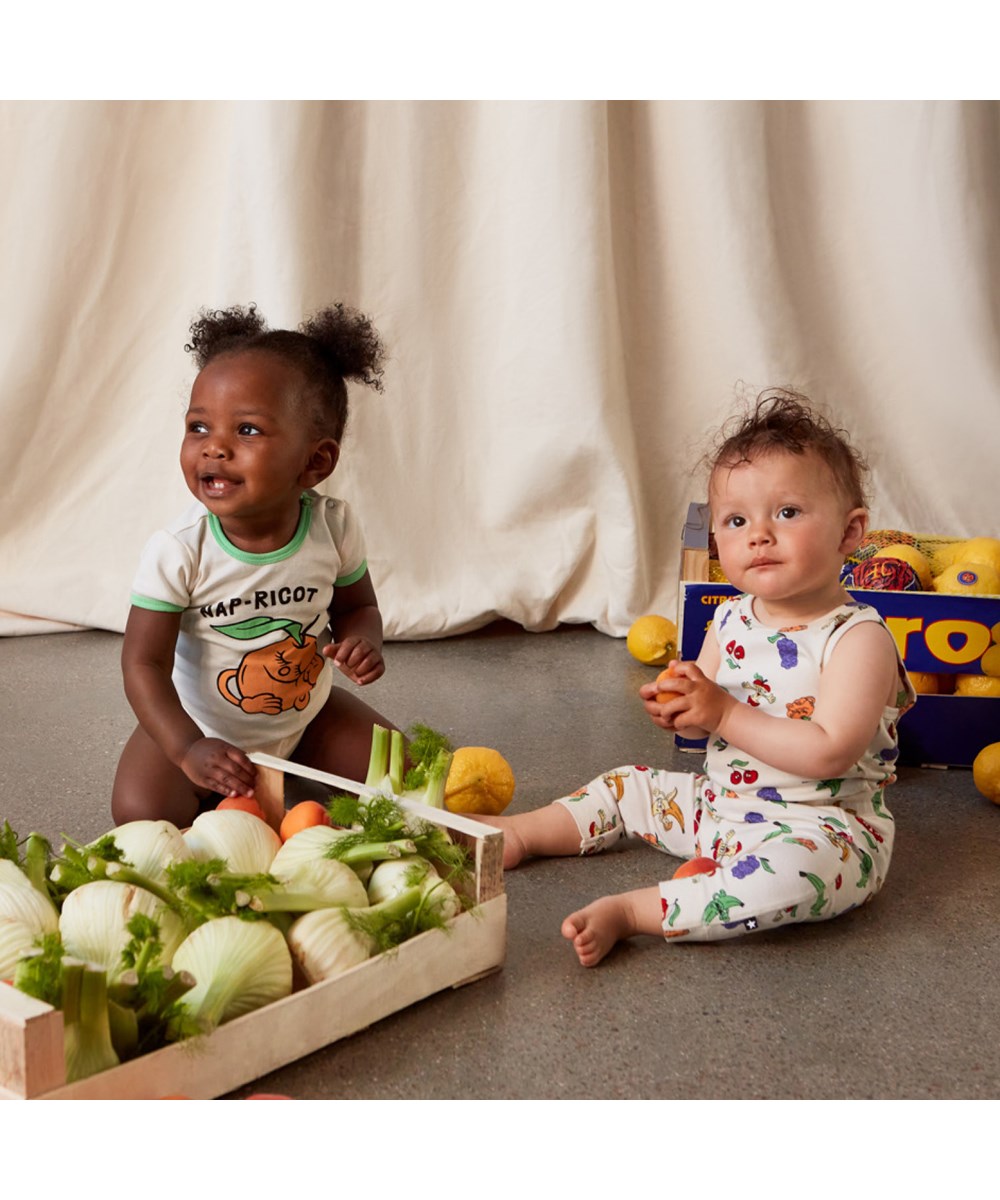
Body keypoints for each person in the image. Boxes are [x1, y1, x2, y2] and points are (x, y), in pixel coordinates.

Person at [484, 389, 916, 966]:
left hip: (821, 829)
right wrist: (680, 705)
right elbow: (701, 724)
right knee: (628, 785)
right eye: (737, 520)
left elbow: (830, 751)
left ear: (850, 531)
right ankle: (523, 833)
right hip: (718, 808)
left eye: (787, 512)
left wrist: (723, 711)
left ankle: (638, 911)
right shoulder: (730, 617)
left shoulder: (858, 638)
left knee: (796, 876)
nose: (759, 534)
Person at [112, 303, 394, 827]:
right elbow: (142, 665)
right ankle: (215, 776)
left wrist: (363, 641)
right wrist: (186, 748)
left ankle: (292, 766)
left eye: (247, 430)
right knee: (140, 815)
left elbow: (360, 608)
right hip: (202, 721)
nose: (214, 447)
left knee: (405, 776)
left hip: (307, 716)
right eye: (199, 426)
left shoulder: (331, 527)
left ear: (314, 461)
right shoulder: (180, 550)